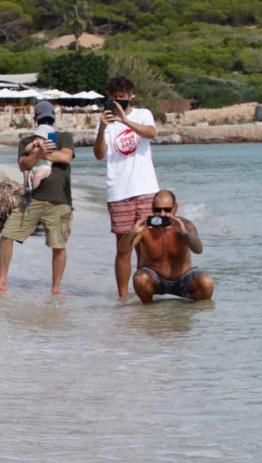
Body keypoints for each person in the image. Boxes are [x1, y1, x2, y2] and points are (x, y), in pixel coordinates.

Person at [0, 100, 74, 294]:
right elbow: (23, 165)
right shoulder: (26, 141)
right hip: (32, 199)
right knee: (7, 234)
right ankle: (2, 279)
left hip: (59, 199)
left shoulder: (64, 136)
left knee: (58, 244)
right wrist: (39, 154)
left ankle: (56, 288)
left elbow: (66, 157)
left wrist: (43, 153)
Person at [93, 76, 159, 299]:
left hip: (145, 188)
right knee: (123, 248)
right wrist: (103, 128)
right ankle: (122, 296)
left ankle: (144, 290)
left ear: (131, 97)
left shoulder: (143, 114)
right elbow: (99, 154)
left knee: (146, 244)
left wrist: (125, 120)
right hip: (118, 191)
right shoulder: (105, 123)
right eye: (115, 100)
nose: (119, 103)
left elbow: (151, 133)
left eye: (123, 99)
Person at [122, 190, 214, 304]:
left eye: (167, 210)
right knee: (140, 279)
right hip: (154, 278)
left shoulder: (185, 225)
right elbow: (123, 251)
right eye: (157, 210)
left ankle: (191, 311)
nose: (162, 214)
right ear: (152, 208)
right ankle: (149, 312)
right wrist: (132, 232)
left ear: (175, 208)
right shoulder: (144, 227)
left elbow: (198, 249)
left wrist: (187, 235)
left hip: (182, 278)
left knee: (206, 282)